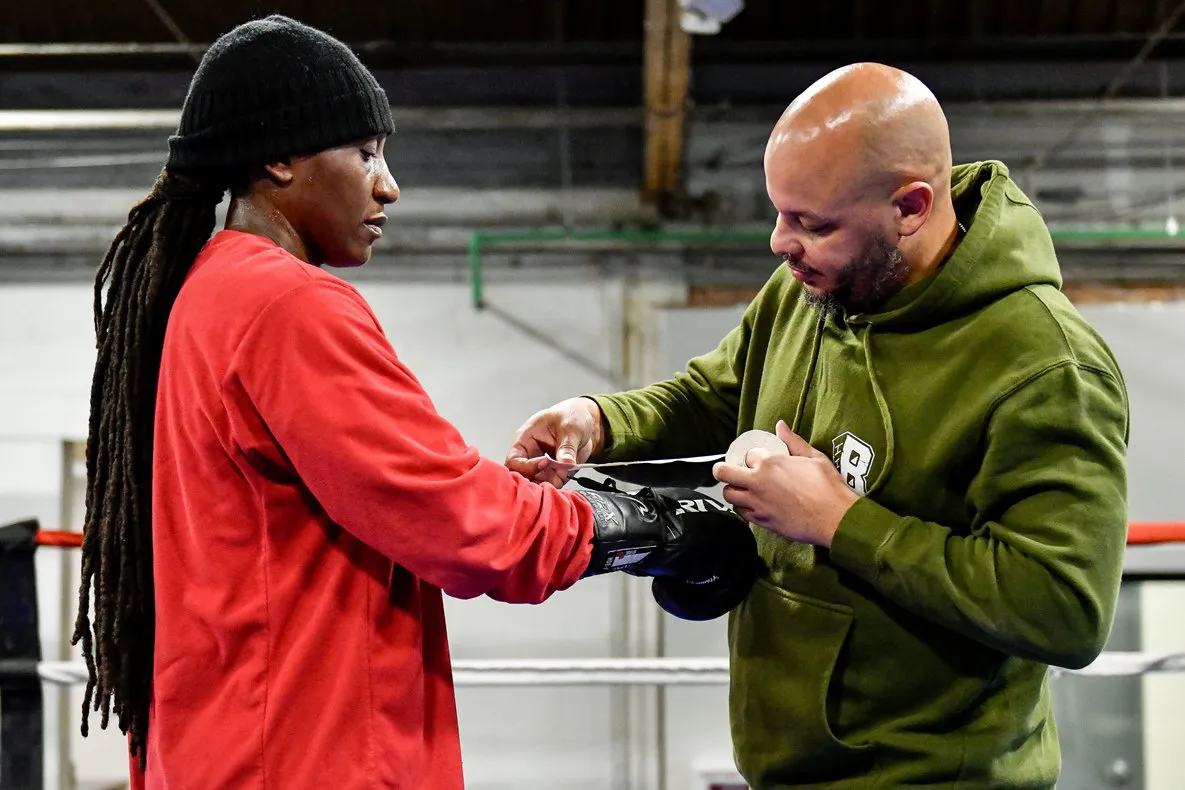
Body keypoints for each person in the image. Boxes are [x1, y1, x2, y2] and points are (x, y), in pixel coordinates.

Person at [72, 15, 761, 790]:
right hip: (306, 759)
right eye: (364, 153)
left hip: (226, 749)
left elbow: (405, 495)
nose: (388, 184)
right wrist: (667, 529)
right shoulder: (284, 304)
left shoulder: (195, 299)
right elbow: (467, 526)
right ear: (279, 157)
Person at [506, 62, 1130, 789]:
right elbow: (716, 391)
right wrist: (599, 419)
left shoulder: (1046, 365)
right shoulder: (814, 286)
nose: (779, 242)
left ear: (910, 206)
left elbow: (1064, 609)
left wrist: (840, 521)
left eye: (811, 222)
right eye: (779, 212)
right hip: (792, 769)